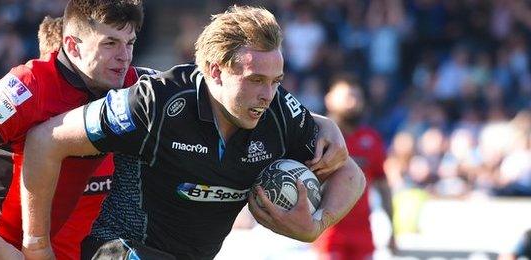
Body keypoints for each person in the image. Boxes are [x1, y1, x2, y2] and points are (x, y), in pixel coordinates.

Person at [20, 6, 365, 260]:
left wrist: (317, 225)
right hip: (115, 249)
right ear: (215, 72)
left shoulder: (279, 115)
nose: (268, 94)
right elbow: (44, 139)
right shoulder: (154, 102)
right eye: (255, 80)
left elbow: (350, 173)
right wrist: (36, 244)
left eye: (276, 81)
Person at [0, 1, 148, 258]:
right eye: (110, 43)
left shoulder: (128, 87)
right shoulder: (26, 88)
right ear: (71, 46)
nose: (124, 56)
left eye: (130, 43)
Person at [313, 75, 396, 260]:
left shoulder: (372, 139)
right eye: (347, 97)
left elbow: (383, 186)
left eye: (357, 97)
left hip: (363, 232)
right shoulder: (315, 137)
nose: (352, 102)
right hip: (328, 230)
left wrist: (392, 228)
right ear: (329, 99)